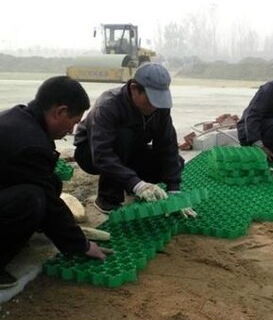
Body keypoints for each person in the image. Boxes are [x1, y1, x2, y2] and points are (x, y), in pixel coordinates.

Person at [0, 76, 112, 289]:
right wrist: (81, 245)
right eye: (74, 121)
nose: (71, 131)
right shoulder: (30, 144)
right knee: (32, 199)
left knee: (50, 182)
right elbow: (50, 205)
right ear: (60, 112)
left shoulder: (20, 118)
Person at [74, 62, 196, 218]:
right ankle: (107, 198)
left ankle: (130, 183)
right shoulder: (108, 105)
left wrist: (174, 190)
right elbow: (101, 154)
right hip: (92, 154)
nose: (155, 107)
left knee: (175, 162)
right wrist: (138, 185)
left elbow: (167, 145)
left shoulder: (160, 108)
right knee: (123, 136)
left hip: (131, 151)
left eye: (159, 101)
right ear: (134, 89)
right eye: (151, 100)